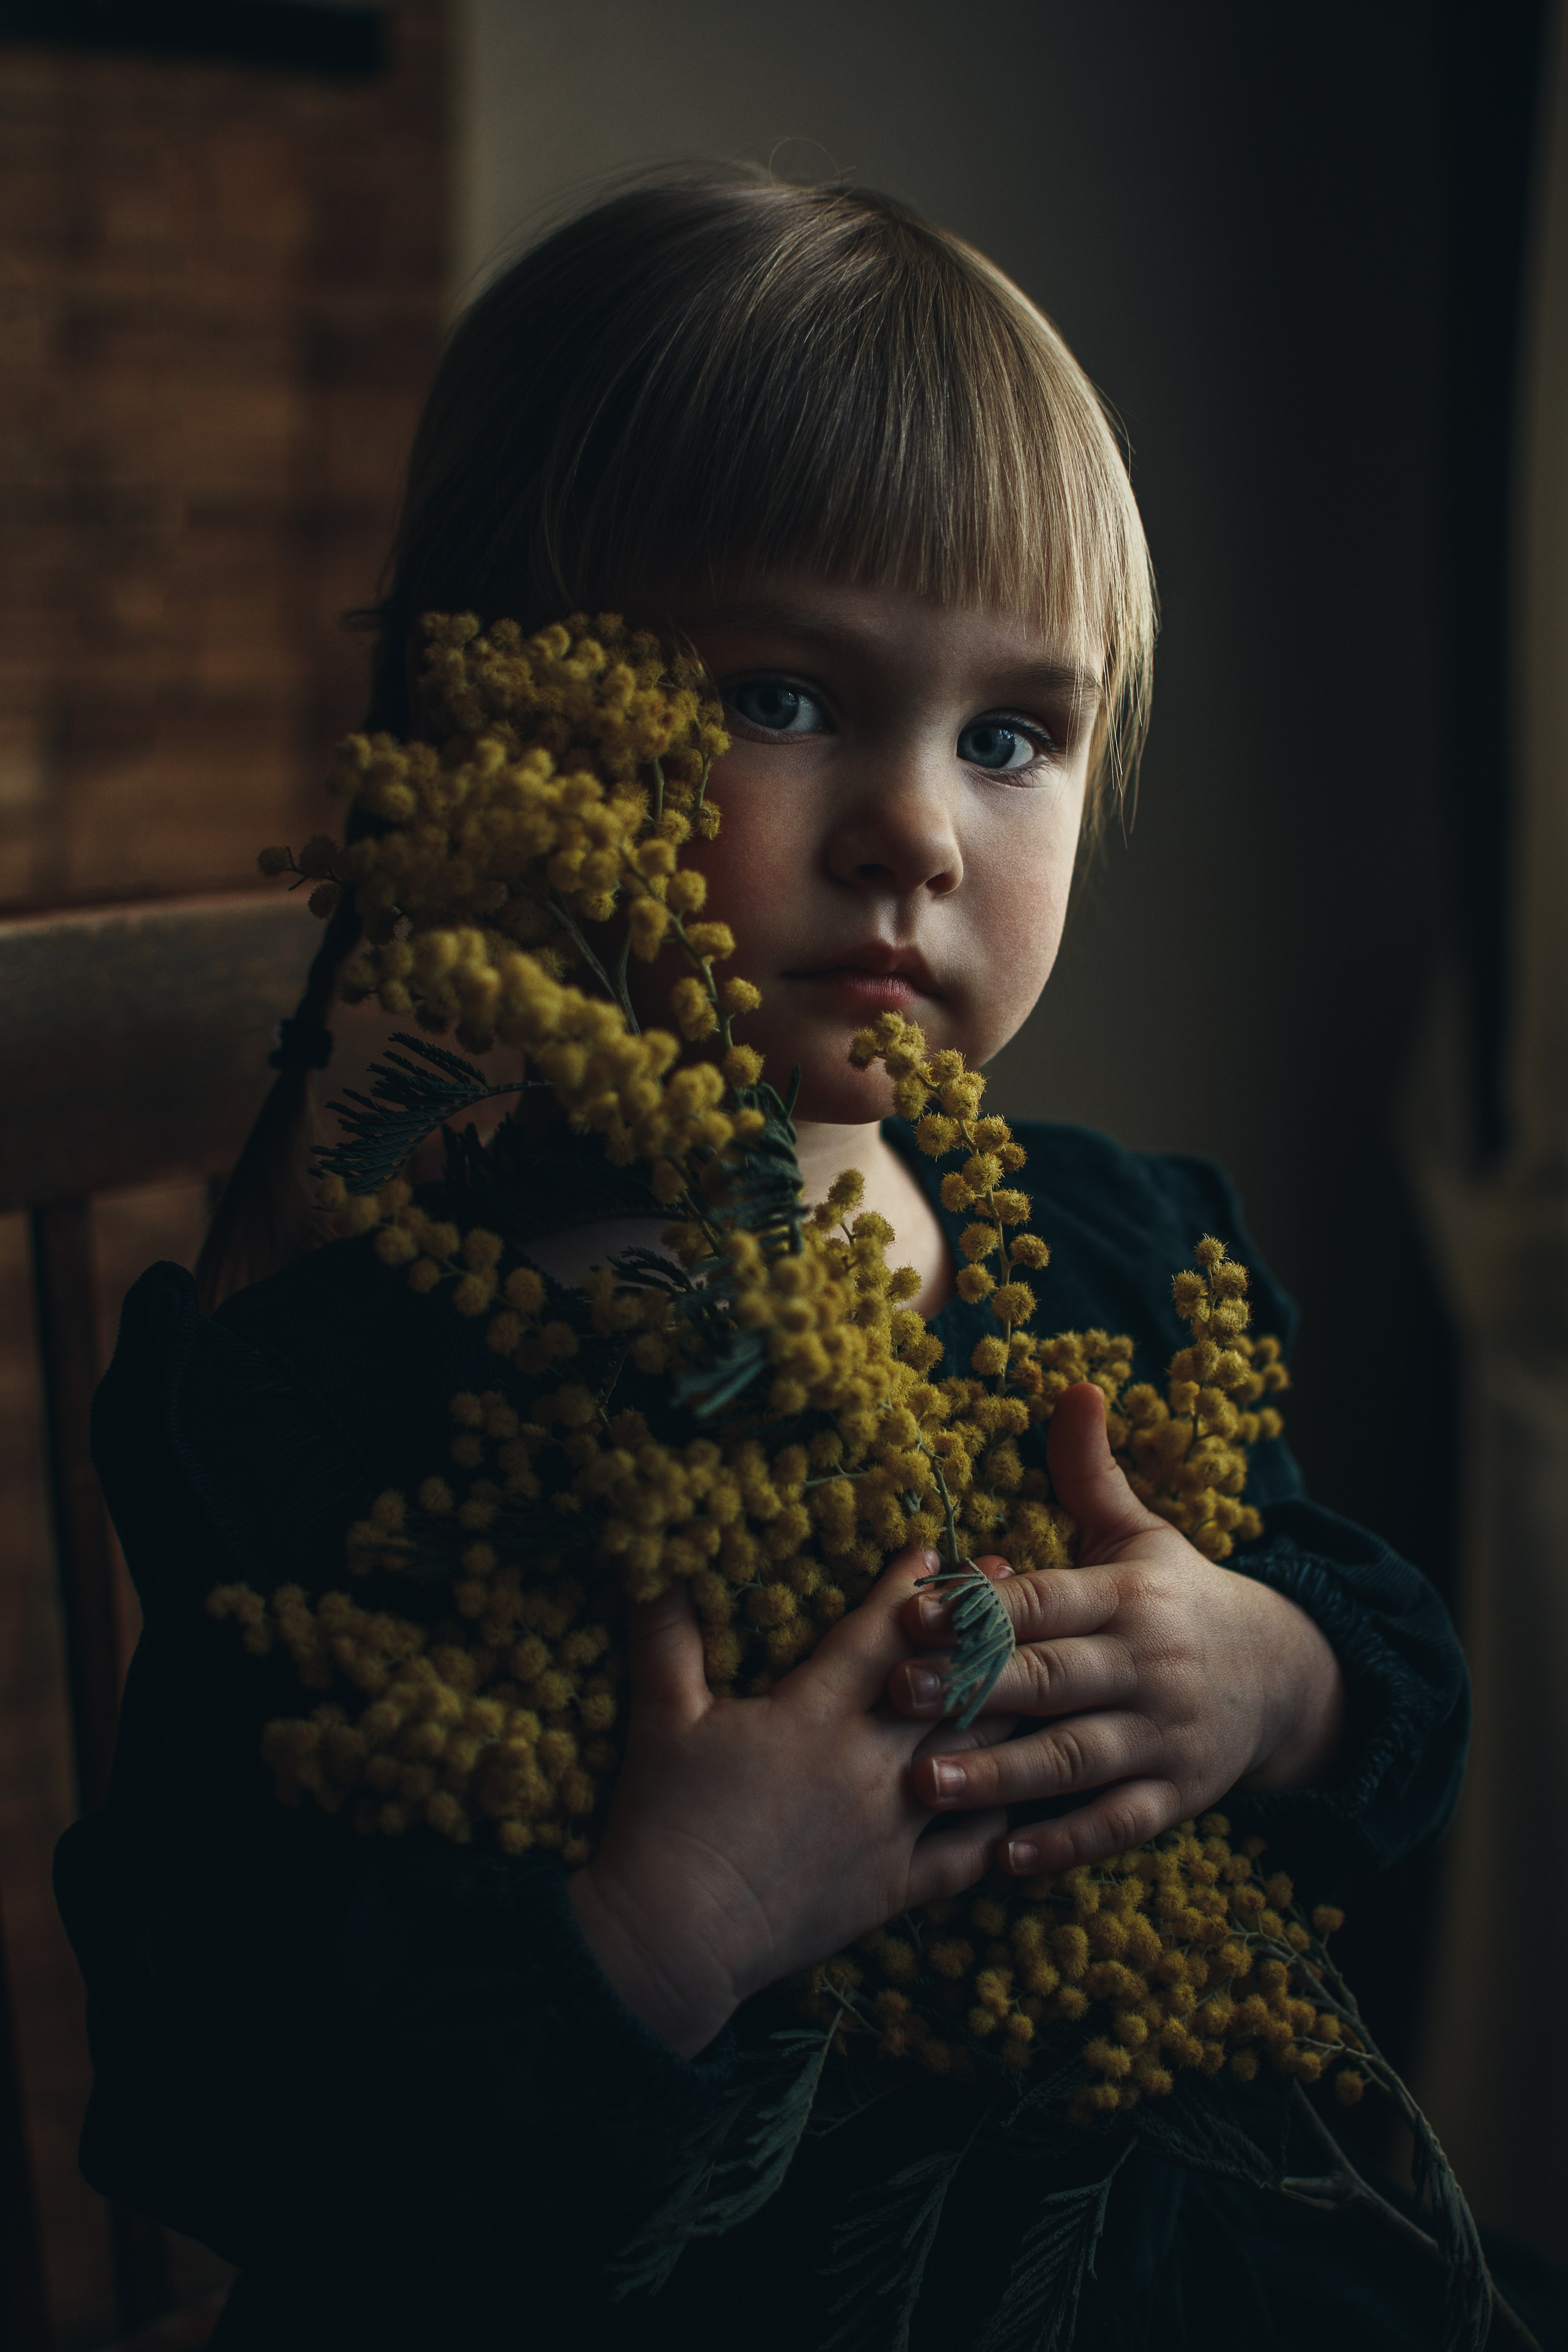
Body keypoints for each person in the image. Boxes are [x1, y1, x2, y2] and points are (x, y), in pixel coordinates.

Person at [54, 172, 1502, 2348]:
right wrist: (663, 1929)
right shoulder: (357, 1405)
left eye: (1012, 735)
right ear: (514, 722)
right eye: (786, 697)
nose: (917, 828)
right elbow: (225, 2111)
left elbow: (1399, 1686)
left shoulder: (1120, 1264)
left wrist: (1273, 1680)